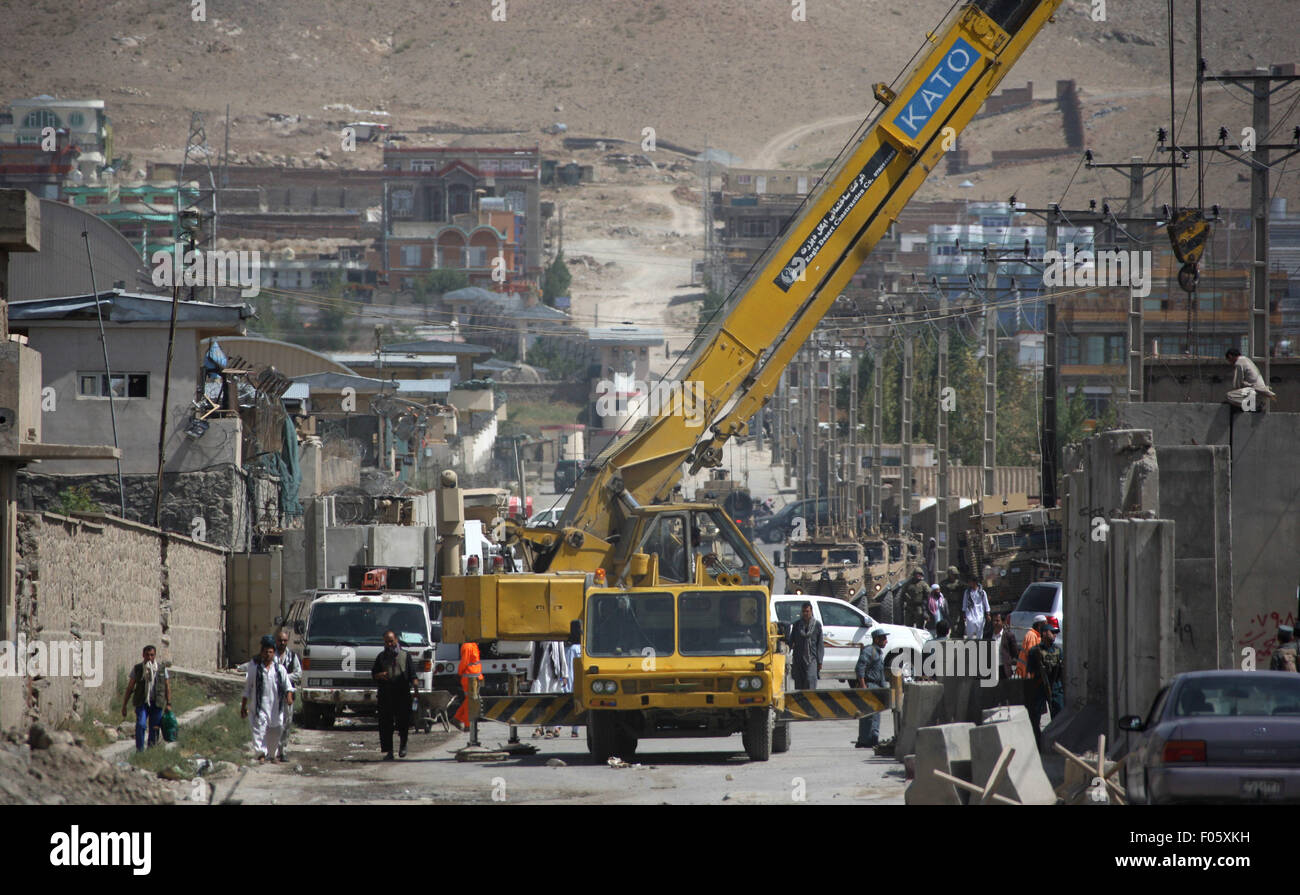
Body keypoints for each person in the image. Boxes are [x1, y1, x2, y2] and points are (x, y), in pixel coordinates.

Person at [241, 635, 294, 762]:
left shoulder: (279, 669)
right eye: (265, 652)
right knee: (259, 730)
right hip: (259, 707)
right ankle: (261, 754)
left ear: (273, 653)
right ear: (261, 652)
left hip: (276, 707)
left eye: (270, 652)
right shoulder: (254, 669)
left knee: (276, 731)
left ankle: (272, 754)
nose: (268, 654)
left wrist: (289, 697)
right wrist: (243, 706)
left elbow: (288, 686)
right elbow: (247, 689)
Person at [373, 629, 419, 759]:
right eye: (387, 642)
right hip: (385, 695)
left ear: (396, 640)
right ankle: (389, 752)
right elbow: (373, 674)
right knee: (386, 724)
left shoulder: (405, 656)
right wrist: (380, 675)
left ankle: (403, 746)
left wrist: (416, 689)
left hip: (402, 694)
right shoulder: (381, 657)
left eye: (391, 641)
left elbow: (413, 675)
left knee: (403, 722)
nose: (389, 644)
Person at [121, 645, 171, 752]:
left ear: (155, 656)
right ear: (143, 655)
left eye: (152, 655)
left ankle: (151, 751)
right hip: (142, 702)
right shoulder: (138, 669)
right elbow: (130, 687)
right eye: (147, 655)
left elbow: (167, 686)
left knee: (154, 728)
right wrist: (124, 705)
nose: (149, 657)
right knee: (141, 724)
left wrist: (168, 703)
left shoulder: (161, 669)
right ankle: (140, 750)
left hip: (157, 703)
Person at [1025, 619, 1063, 748]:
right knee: (1035, 717)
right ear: (1045, 633)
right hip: (1039, 687)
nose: (1055, 635)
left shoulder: (1058, 651)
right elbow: (1029, 672)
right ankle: (1038, 743)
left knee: (1058, 716)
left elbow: (1062, 672)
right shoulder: (1034, 651)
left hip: (1055, 688)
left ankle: (1057, 744)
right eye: (1052, 632)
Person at [854, 629, 889, 748]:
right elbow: (860, 668)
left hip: (877, 687)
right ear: (876, 639)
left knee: (875, 715)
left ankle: (871, 739)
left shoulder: (878, 652)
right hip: (870, 685)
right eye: (883, 638)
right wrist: (863, 686)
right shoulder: (869, 651)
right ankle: (866, 740)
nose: (886, 641)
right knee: (868, 715)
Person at [273, 627, 302, 761]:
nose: (282, 643)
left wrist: (284, 677)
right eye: (280, 640)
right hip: (273, 695)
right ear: (276, 641)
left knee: (287, 723)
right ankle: (272, 750)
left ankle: (282, 750)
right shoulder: (271, 656)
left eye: (285, 640)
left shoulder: (293, 656)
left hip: (288, 695)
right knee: (274, 723)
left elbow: (298, 674)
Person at [788, 602, 823, 690]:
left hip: (812, 658)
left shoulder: (817, 625)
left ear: (811, 611)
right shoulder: (797, 625)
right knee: (799, 683)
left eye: (807, 611)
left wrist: (820, 661)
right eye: (803, 611)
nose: (805, 613)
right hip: (799, 659)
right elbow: (791, 641)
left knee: (810, 680)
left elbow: (820, 645)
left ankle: (811, 701)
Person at [454, 640, 483, 731]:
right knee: (470, 701)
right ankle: (467, 725)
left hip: (473, 678)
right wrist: (460, 673)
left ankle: (457, 718)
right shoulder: (468, 646)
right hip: (469, 679)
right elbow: (464, 662)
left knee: (469, 701)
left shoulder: (472, 645)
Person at [961, 575, 990, 641]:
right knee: (969, 631)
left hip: (980, 614)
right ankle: (970, 645)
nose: (969, 583)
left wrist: (988, 614)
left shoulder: (982, 592)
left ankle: (979, 645)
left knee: (979, 632)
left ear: (974, 582)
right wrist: (964, 613)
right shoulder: (967, 592)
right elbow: (964, 602)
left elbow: (986, 603)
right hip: (970, 613)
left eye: (970, 581)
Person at [992, 613, 1018, 680]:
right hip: (991, 669)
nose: (995, 623)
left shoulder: (1008, 636)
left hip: (1003, 669)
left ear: (1003, 622)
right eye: (994, 621)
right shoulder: (988, 635)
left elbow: (1014, 653)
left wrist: (1008, 662)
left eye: (997, 621)